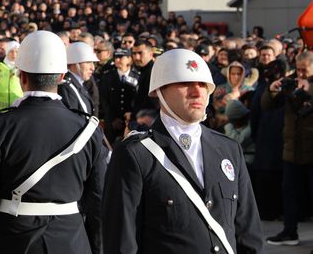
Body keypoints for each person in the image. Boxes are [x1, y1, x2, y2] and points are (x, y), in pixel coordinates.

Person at [102, 48, 263, 253]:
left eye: (203, 85)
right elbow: (121, 242)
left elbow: (248, 233)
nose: (197, 92)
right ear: (160, 90)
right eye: (185, 83)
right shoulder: (135, 153)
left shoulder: (229, 149)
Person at [0, 31, 106, 253]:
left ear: (21, 76)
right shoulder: (88, 129)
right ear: (62, 76)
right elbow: (98, 201)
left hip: (13, 240)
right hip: (72, 241)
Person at [262, 50, 313, 247]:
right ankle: (289, 232)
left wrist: (309, 90)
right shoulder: (291, 81)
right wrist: (272, 90)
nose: (301, 74)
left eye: (305, 70)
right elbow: (267, 105)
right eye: (299, 69)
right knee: (289, 192)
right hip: (292, 150)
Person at [99, 47, 140, 144]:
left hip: (131, 123)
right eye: (116, 57)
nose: (117, 60)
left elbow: (139, 100)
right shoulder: (107, 77)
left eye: (121, 57)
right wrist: (113, 118)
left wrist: (131, 117)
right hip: (112, 123)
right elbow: (104, 100)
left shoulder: (137, 76)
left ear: (129, 59)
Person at [60, 41, 98, 115]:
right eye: (88, 62)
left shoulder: (78, 83)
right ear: (75, 63)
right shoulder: (66, 87)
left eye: (93, 63)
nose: (92, 68)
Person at [0, 41, 21, 111]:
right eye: (11, 51)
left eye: (17, 52)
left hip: (18, 108)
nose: (14, 54)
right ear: (7, 52)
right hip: (1, 108)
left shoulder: (22, 68)